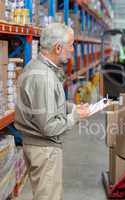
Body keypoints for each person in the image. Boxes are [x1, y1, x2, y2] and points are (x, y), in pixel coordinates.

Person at [14, 23, 90, 200]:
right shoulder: (44, 78)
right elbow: (49, 127)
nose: (73, 50)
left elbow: (45, 104)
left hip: (36, 146)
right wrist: (75, 117)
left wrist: (71, 108)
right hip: (44, 149)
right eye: (71, 45)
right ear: (58, 48)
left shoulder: (37, 66)